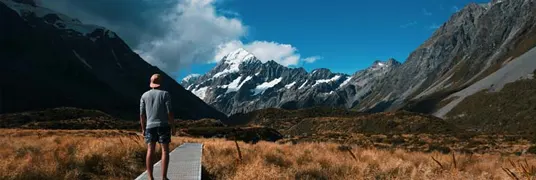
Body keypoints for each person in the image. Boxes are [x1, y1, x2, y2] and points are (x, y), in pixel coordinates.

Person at [140, 74, 174, 180]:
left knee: (150, 150)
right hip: (163, 125)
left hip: (150, 126)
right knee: (165, 151)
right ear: (160, 82)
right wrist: (173, 126)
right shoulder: (165, 94)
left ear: (151, 82)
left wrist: (143, 129)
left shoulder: (144, 96)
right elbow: (170, 112)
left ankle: (150, 178)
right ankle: (164, 177)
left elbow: (142, 114)